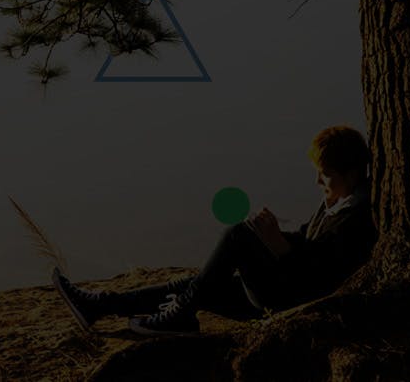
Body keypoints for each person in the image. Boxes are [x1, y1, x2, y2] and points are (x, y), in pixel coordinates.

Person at [52, 125, 378, 336]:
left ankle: (178, 318)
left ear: (351, 175)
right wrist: (274, 235)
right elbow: (309, 242)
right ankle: (100, 306)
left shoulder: (359, 217)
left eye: (326, 175)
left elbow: (322, 274)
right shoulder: (337, 201)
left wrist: (278, 246)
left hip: (291, 300)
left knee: (238, 235)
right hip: (284, 286)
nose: (318, 182)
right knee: (195, 284)